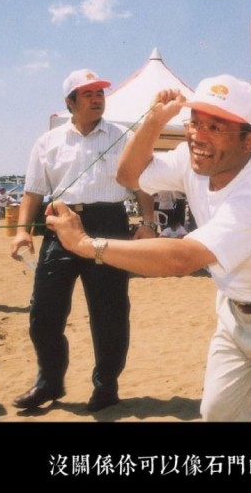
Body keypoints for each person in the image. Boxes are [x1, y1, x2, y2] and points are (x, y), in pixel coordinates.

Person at [45, 74, 251, 422]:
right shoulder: (193, 159)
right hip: (236, 312)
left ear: (249, 141)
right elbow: (128, 176)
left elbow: (182, 259)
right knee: (219, 413)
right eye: (194, 122)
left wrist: (86, 245)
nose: (198, 136)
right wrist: (154, 120)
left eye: (216, 127)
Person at [10, 68, 157, 412]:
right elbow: (33, 192)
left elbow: (143, 185)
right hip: (60, 224)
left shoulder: (124, 136)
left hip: (109, 224)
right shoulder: (48, 142)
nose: (96, 99)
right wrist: (22, 231)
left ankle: (106, 386)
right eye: (88, 94)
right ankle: (49, 381)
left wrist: (148, 222)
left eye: (100, 93)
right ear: (70, 101)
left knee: (109, 312)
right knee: (44, 312)